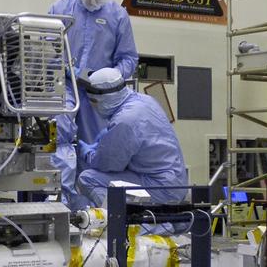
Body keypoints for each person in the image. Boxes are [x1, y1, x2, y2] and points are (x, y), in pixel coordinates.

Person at [49, 0, 138, 144]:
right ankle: (61, 173)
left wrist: (110, 77)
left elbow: (128, 58)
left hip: (98, 92)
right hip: (64, 85)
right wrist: (66, 69)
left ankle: (88, 174)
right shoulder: (60, 9)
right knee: (59, 130)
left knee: (94, 143)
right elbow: (47, 49)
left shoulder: (117, 15)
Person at [74, 68, 189, 208]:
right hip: (175, 182)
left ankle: (133, 227)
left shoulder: (125, 120)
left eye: (93, 102)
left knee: (88, 179)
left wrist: (89, 155)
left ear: (104, 99)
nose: (94, 107)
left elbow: (108, 164)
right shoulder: (146, 101)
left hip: (159, 187)